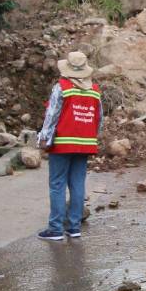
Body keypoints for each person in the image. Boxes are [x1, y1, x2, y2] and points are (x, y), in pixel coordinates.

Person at [35, 51, 102, 241]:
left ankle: (55, 229)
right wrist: (91, 137)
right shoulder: (95, 91)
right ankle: (74, 227)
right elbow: (99, 119)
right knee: (77, 184)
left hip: (62, 143)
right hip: (86, 145)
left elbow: (52, 115)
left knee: (57, 184)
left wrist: (43, 137)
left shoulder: (62, 88)